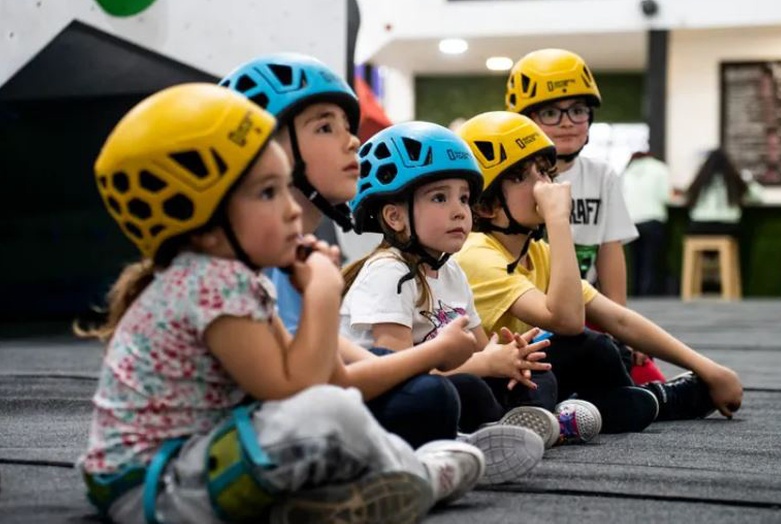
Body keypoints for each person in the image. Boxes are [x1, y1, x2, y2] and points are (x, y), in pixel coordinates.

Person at [76, 83, 486, 524]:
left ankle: (345, 492)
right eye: (268, 193)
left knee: (339, 406)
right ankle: (417, 475)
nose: (292, 210)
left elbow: (331, 377)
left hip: (189, 471)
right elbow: (303, 392)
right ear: (205, 222)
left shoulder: (232, 279)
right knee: (328, 413)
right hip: (161, 489)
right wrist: (322, 291)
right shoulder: (213, 283)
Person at [222, 54, 546, 472]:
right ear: (267, 150)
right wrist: (446, 357)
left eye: (347, 127)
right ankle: (424, 458)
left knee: (463, 385)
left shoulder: (294, 255)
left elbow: (349, 371)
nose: (352, 142)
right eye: (325, 128)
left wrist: (473, 358)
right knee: (432, 395)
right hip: (251, 442)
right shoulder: (246, 268)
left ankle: (443, 447)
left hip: (301, 414)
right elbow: (317, 387)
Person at [455, 111, 744, 435]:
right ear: (485, 206)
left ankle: (610, 406)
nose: (544, 186)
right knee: (579, 347)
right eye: (523, 177)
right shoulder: (476, 252)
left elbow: (618, 319)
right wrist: (558, 220)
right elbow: (567, 321)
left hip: (527, 376)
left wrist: (708, 368)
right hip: (491, 385)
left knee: (599, 348)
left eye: (545, 171)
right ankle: (648, 402)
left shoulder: (535, 252)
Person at [342, 121, 597, 450]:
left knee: (534, 373)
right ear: (395, 217)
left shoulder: (451, 271)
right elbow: (399, 372)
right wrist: (486, 363)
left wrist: (508, 357)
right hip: (391, 395)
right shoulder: (387, 272)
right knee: (460, 389)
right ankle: (507, 429)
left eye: (464, 198)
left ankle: (521, 423)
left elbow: (481, 348)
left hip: (444, 380)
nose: (459, 212)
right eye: (439, 198)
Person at [505, 48, 666, 384]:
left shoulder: (602, 175)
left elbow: (610, 249)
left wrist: (621, 327)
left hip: (587, 307)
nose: (566, 122)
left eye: (577, 111)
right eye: (551, 112)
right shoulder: (512, 182)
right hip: (531, 310)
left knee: (645, 376)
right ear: (524, 121)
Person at [622, 151, 672, 296]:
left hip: (631, 221)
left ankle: (636, 291)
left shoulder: (627, 171)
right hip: (653, 220)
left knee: (635, 260)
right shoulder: (660, 168)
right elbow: (666, 196)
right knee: (651, 260)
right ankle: (649, 292)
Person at [684, 148, 764, 237]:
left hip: (698, 226)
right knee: (745, 229)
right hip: (727, 226)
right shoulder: (733, 180)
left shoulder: (699, 181)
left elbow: (686, 196)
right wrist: (749, 180)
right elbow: (757, 197)